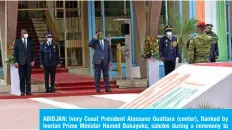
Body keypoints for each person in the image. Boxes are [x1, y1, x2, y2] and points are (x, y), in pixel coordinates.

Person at [13, 29, 35, 96]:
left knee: (28, 78)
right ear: (21, 34)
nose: (25, 34)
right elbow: (15, 53)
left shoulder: (30, 41)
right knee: (22, 78)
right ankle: (22, 91)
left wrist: (33, 60)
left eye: (26, 33)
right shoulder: (17, 42)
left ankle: (28, 91)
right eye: (24, 33)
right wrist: (16, 61)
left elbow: (33, 52)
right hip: (21, 63)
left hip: (29, 62)